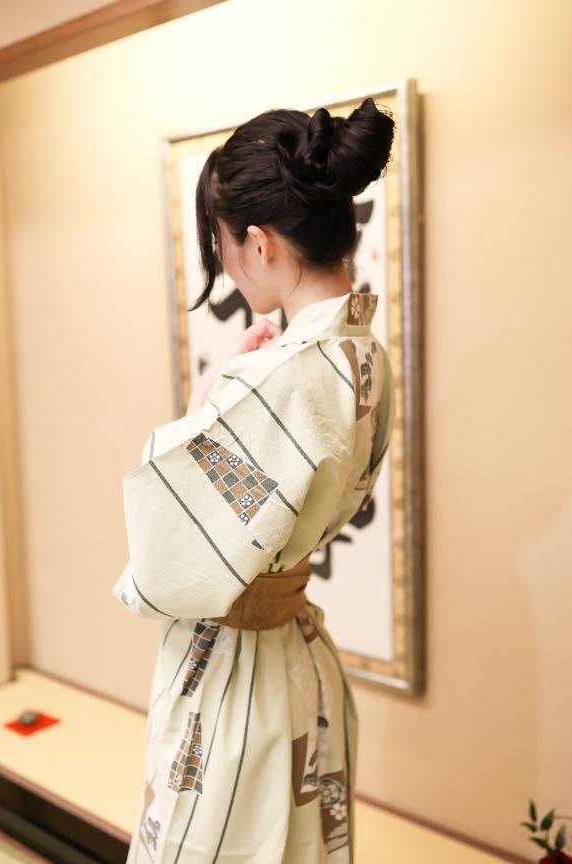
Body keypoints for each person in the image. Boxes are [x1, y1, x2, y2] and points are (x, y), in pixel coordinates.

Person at [113, 97, 396, 864]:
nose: (230, 266)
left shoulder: (278, 378)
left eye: (225, 245)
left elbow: (166, 570)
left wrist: (204, 406)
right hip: (299, 665)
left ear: (261, 243)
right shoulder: (363, 353)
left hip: (237, 685)